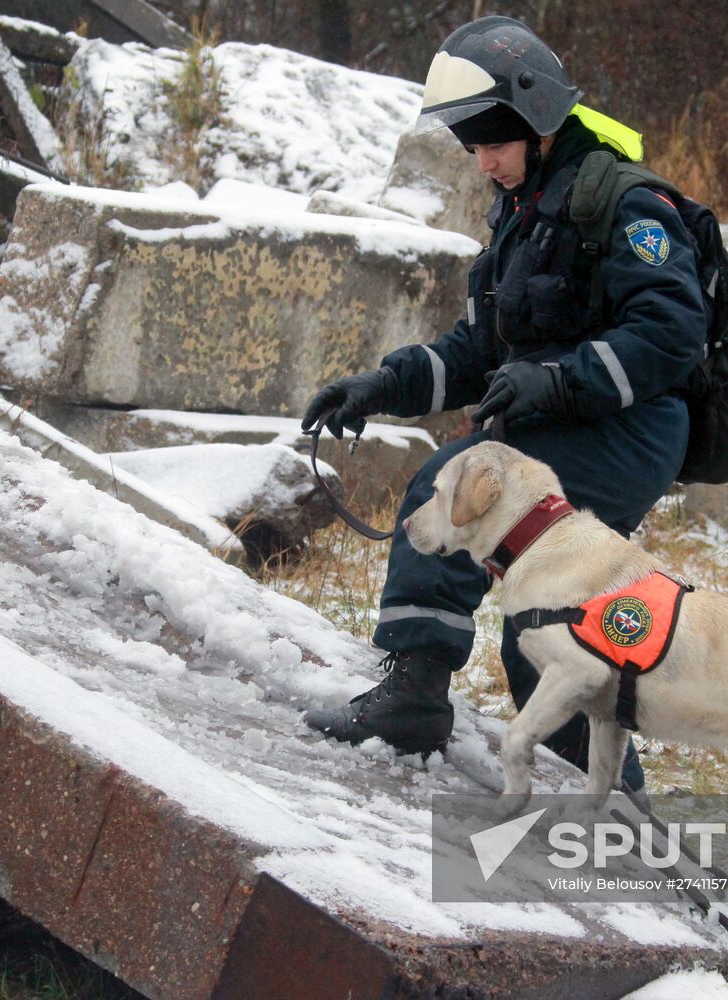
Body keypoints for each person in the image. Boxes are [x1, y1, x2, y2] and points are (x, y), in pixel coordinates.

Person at [300, 15, 707, 792]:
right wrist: (385, 385)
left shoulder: (625, 204)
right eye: (472, 146)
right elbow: (484, 352)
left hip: (630, 428)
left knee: (452, 490)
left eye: (494, 142)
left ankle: (414, 696)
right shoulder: (525, 212)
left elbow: (671, 334)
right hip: (560, 424)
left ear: (539, 120)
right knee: (545, 626)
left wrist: (560, 380)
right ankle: (617, 808)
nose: (483, 162)